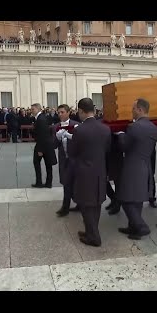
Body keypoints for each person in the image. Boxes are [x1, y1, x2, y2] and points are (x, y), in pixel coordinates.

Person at [69, 98, 111, 247]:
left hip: (84, 173)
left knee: (86, 206)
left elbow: (72, 153)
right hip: (100, 171)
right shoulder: (105, 129)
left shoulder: (79, 130)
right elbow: (107, 150)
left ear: (81, 111)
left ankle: (94, 237)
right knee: (96, 204)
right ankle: (90, 231)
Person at [115, 98, 157, 240]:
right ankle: (133, 227)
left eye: (133, 109)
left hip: (132, 166)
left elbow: (124, 146)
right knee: (137, 199)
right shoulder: (153, 127)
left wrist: (121, 134)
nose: (131, 112)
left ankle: (141, 227)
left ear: (140, 110)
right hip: (145, 166)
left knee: (125, 198)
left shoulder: (134, 127)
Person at [54, 104, 80, 216]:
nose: (60, 114)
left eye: (62, 112)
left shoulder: (77, 125)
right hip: (64, 159)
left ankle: (79, 203)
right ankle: (65, 207)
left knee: (76, 183)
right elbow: (54, 145)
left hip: (75, 159)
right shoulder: (56, 126)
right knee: (66, 183)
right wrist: (57, 137)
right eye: (58, 112)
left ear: (68, 112)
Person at [31, 103, 57, 188]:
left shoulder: (40, 119)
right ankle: (48, 183)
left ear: (38, 109)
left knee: (37, 162)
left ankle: (40, 182)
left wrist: (40, 150)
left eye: (33, 109)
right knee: (48, 164)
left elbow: (42, 135)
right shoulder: (40, 118)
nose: (32, 111)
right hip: (46, 145)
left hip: (43, 145)